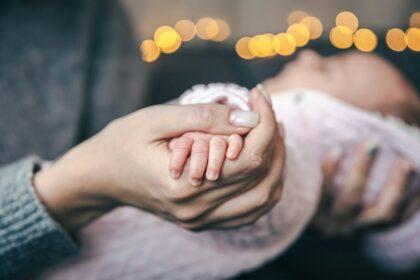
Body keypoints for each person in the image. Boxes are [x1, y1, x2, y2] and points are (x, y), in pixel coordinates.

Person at [40, 51, 420, 279]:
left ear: (343, 124)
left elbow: (272, 166)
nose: (308, 55)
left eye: (327, 68)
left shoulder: (294, 150)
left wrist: (223, 121)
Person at [0, 1, 285, 279]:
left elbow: (147, 151)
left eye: (326, 69)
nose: (310, 58)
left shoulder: (98, 15)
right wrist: (82, 184)